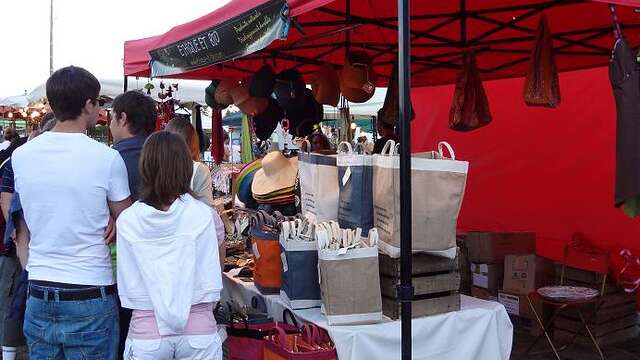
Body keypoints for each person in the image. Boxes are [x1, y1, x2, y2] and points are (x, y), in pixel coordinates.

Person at [12, 66, 132, 359]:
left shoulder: (21, 156)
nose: (100, 109)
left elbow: (27, 218)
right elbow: (129, 219)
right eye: (98, 102)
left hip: (39, 288)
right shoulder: (107, 158)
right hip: (90, 290)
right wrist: (116, 219)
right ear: (88, 105)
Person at [117, 131, 223, 359]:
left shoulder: (127, 220)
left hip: (147, 330)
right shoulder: (205, 216)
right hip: (199, 329)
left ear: (145, 166)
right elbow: (218, 266)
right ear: (186, 166)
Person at [109, 90, 157, 360]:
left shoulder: (109, 159)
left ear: (123, 118)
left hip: (121, 271)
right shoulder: (168, 157)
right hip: (167, 266)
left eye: (112, 118)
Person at [165, 117, 226, 270]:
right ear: (193, 142)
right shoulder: (198, 169)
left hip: (165, 251)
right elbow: (209, 217)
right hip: (192, 252)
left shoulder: (159, 168)